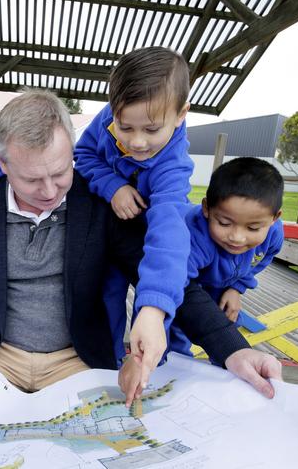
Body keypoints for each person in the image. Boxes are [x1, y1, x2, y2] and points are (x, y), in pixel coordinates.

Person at [0, 90, 281, 414]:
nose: (49, 191)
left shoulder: (102, 205)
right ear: (4, 164)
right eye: (31, 180)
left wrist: (233, 350)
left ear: (72, 152)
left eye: (61, 172)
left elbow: (165, 279)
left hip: (77, 361)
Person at [119, 157, 285, 405]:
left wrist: (236, 287)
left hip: (220, 286)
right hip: (179, 286)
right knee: (171, 340)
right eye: (225, 223)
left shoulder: (273, 234)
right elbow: (164, 291)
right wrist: (142, 355)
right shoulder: (190, 237)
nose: (237, 238)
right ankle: (159, 379)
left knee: (224, 328)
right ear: (207, 208)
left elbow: (264, 257)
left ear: (274, 218)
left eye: (253, 228)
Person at [74, 46, 194, 366]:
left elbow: (169, 232)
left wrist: (153, 309)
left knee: (158, 307)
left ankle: (156, 365)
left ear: (181, 114)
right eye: (125, 127)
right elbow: (83, 156)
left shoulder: (174, 168)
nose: (137, 141)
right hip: (109, 232)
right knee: (106, 298)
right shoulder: (105, 120)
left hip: (150, 243)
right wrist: (113, 187)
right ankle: (106, 362)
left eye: (152, 129)